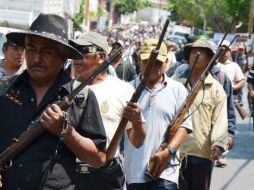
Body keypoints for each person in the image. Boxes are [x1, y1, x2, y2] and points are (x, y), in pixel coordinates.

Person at [0, 14, 107, 189]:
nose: (36, 58)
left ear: (64, 57)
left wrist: (65, 132)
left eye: (47, 51)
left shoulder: (81, 97)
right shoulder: (4, 90)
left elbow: (97, 159)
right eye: (31, 49)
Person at [69, 31, 146, 190]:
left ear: (102, 57)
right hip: (68, 174)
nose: (77, 57)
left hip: (105, 176)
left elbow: (137, 142)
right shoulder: (66, 89)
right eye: (75, 52)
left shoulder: (122, 90)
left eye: (84, 51)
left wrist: (137, 121)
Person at [124, 39, 192, 190]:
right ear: (139, 62)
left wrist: (168, 152)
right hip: (134, 170)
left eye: (157, 62)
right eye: (147, 61)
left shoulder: (178, 90)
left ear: (167, 62)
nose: (152, 67)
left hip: (166, 172)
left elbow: (184, 126)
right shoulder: (127, 90)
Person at [174, 40, 228, 190]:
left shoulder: (216, 89)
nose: (195, 55)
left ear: (209, 59)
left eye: (201, 52)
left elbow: (220, 120)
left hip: (202, 154)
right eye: (192, 52)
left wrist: (218, 144)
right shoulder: (175, 84)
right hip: (175, 153)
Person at [217, 40, 245, 106]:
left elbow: (242, 82)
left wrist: (233, 87)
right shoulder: (212, 64)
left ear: (229, 52)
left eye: (226, 50)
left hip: (228, 98)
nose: (224, 52)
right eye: (221, 50)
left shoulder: (234, 65)